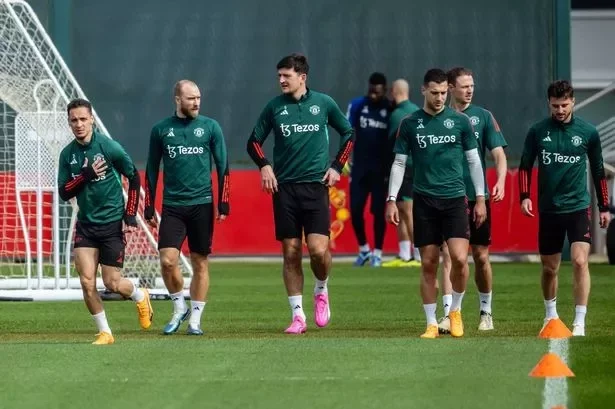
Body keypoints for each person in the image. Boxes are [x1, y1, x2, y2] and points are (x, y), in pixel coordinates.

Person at [246, 53, 353, 334]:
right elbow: (253, 142)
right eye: (279, 76)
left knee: (318, 250)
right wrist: (265, 166)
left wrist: (337, 166)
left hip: (316, 186)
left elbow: (349, 133)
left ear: (302, 77)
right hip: (285, 189)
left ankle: (321, 289)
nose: (281, 80)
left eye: (287, 76)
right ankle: (297, 316)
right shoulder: (274, 108)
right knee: (291, 252)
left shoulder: (323, 103)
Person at [385, 68, 487, 339]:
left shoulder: (461, 121)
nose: (440, 97)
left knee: (459, 260)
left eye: (444, 92)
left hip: (455, 199)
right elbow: (398, 163)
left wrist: (480, 198)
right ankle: (431, 322)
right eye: (435, 93)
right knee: (428, 263)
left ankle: (455, 310)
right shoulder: (409, 123)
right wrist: (392, 199)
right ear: (423, 90)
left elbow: (474, 161)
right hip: (424, 201)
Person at [519, 79, 610, 337]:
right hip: (549, 209)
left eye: (564, 105)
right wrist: (524, 196)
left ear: (573, 102)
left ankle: (580, 321)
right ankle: (551, 315)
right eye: (555, 105)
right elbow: (525, 166)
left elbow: (599, 170)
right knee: (550, 267)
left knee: (581, 261)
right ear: (549, 103)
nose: (560, 110)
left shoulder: (588, 132)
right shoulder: (537, 131)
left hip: (578, 207)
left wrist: (604, 207)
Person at [57, 98, 153, 345]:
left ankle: (140, 296)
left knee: (111, 283)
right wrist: (84, 176)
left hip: (111, 224)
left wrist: (130, 213)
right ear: (69, 123)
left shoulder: (109, 147)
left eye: (82, 119)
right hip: (86, 225)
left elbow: (133, 177)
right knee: (87, 281)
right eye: (73, 120)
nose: (78, 124)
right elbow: (64, 192)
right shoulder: (67, 155)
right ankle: (105, 332)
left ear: (91, 119)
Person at [144, 80, 230, 336]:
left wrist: (224, 200)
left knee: (199, 262)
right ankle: (179, 307)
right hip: (173, 206)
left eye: (199, 98)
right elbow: (151, 170)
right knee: (168, 261)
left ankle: (195, 320)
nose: (196, 103)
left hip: (202, 204)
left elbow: (223, 166)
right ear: (177, 100)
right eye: (191, 98)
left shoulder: (211, 127)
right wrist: (149, 205)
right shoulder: (161, 130)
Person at [437, 67, 508, 334]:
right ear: (451, 88)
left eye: (472, 86)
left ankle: (486, 311)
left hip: (477, 197)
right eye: (464, 86)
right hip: (447, 198)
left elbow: (498, 154)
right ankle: (449, 314)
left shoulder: (483, 117)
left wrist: (500, 181)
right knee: (449, 256)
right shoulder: (440, 118)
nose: (469, 90)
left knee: (480, 256)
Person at [346, 72, 391, 267]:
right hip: (359, 168)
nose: (373, 94)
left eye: (377, 92)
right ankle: (364, 249)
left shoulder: (390, 108)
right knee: (355, 210)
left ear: (384, 90)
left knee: (379, 213)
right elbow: (347, 131)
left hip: (381, 171)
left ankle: (378, 254)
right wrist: (344, 157)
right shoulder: (357, 105)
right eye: (371, 90)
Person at [381, 79, 421, 267]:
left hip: (405, 167)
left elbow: (391, 145)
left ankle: (419, 254)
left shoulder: (397, 115)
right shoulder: (416, 110)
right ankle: (405, 254)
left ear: (394, 92)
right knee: (401, 209)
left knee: (406, 210)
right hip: (415, 166)